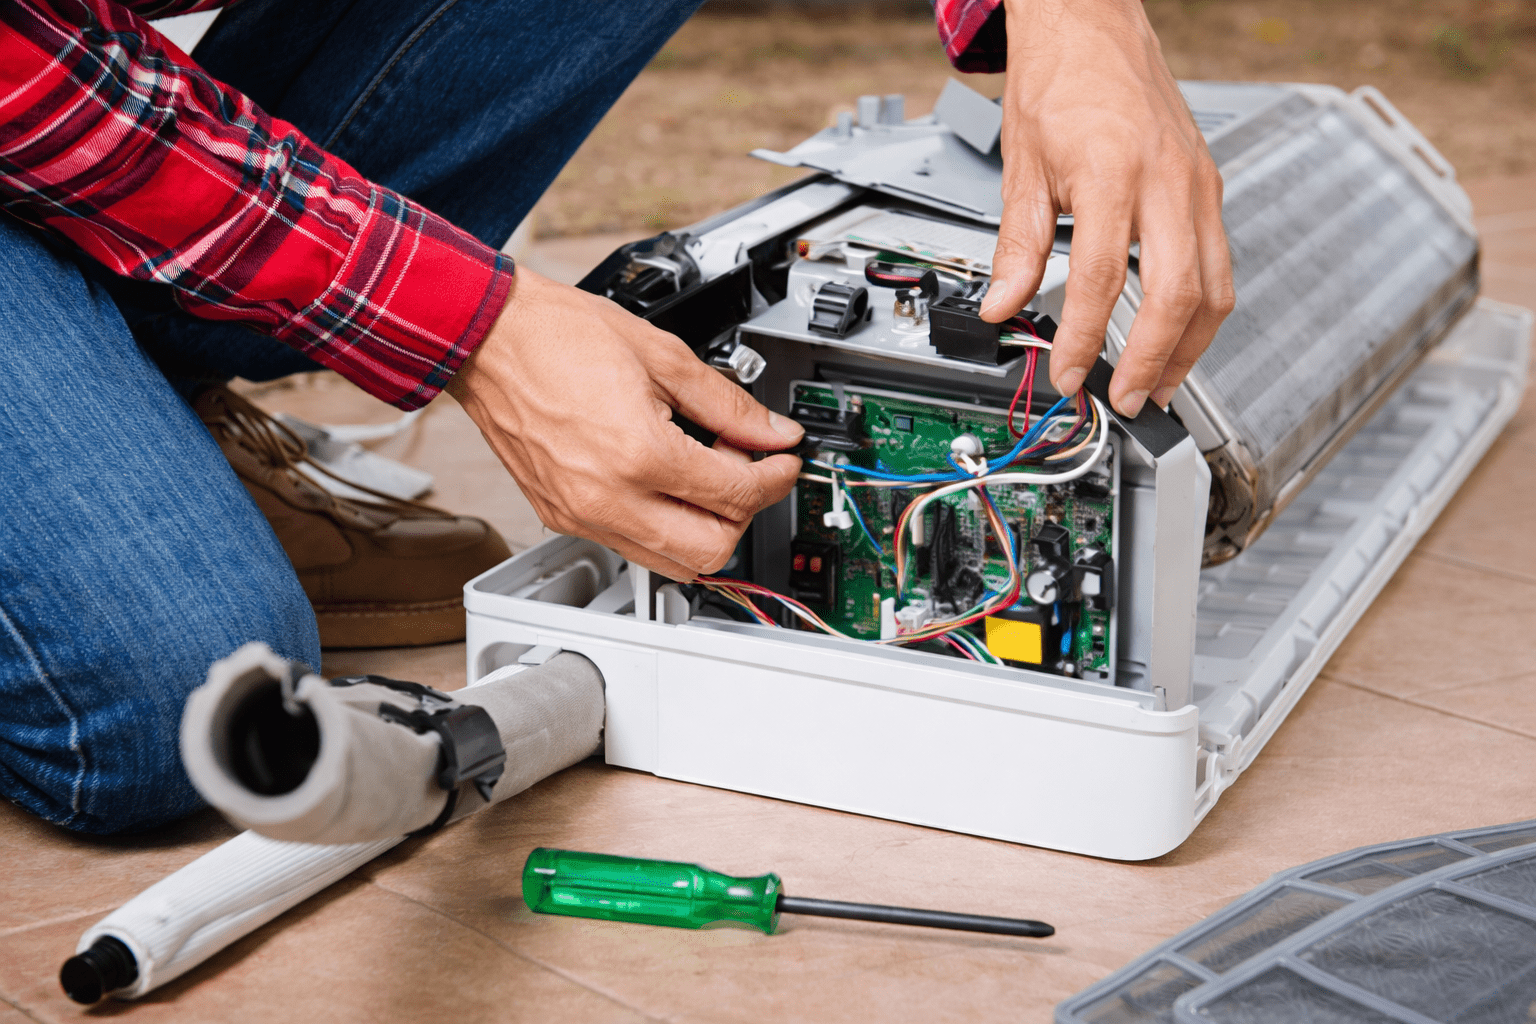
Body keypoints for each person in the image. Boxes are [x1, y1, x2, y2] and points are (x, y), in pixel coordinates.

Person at [0, 0, 1232, 834]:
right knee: (156, 711)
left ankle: (131, 387)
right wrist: (473, 325)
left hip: (93, 92)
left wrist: (1081, 17)